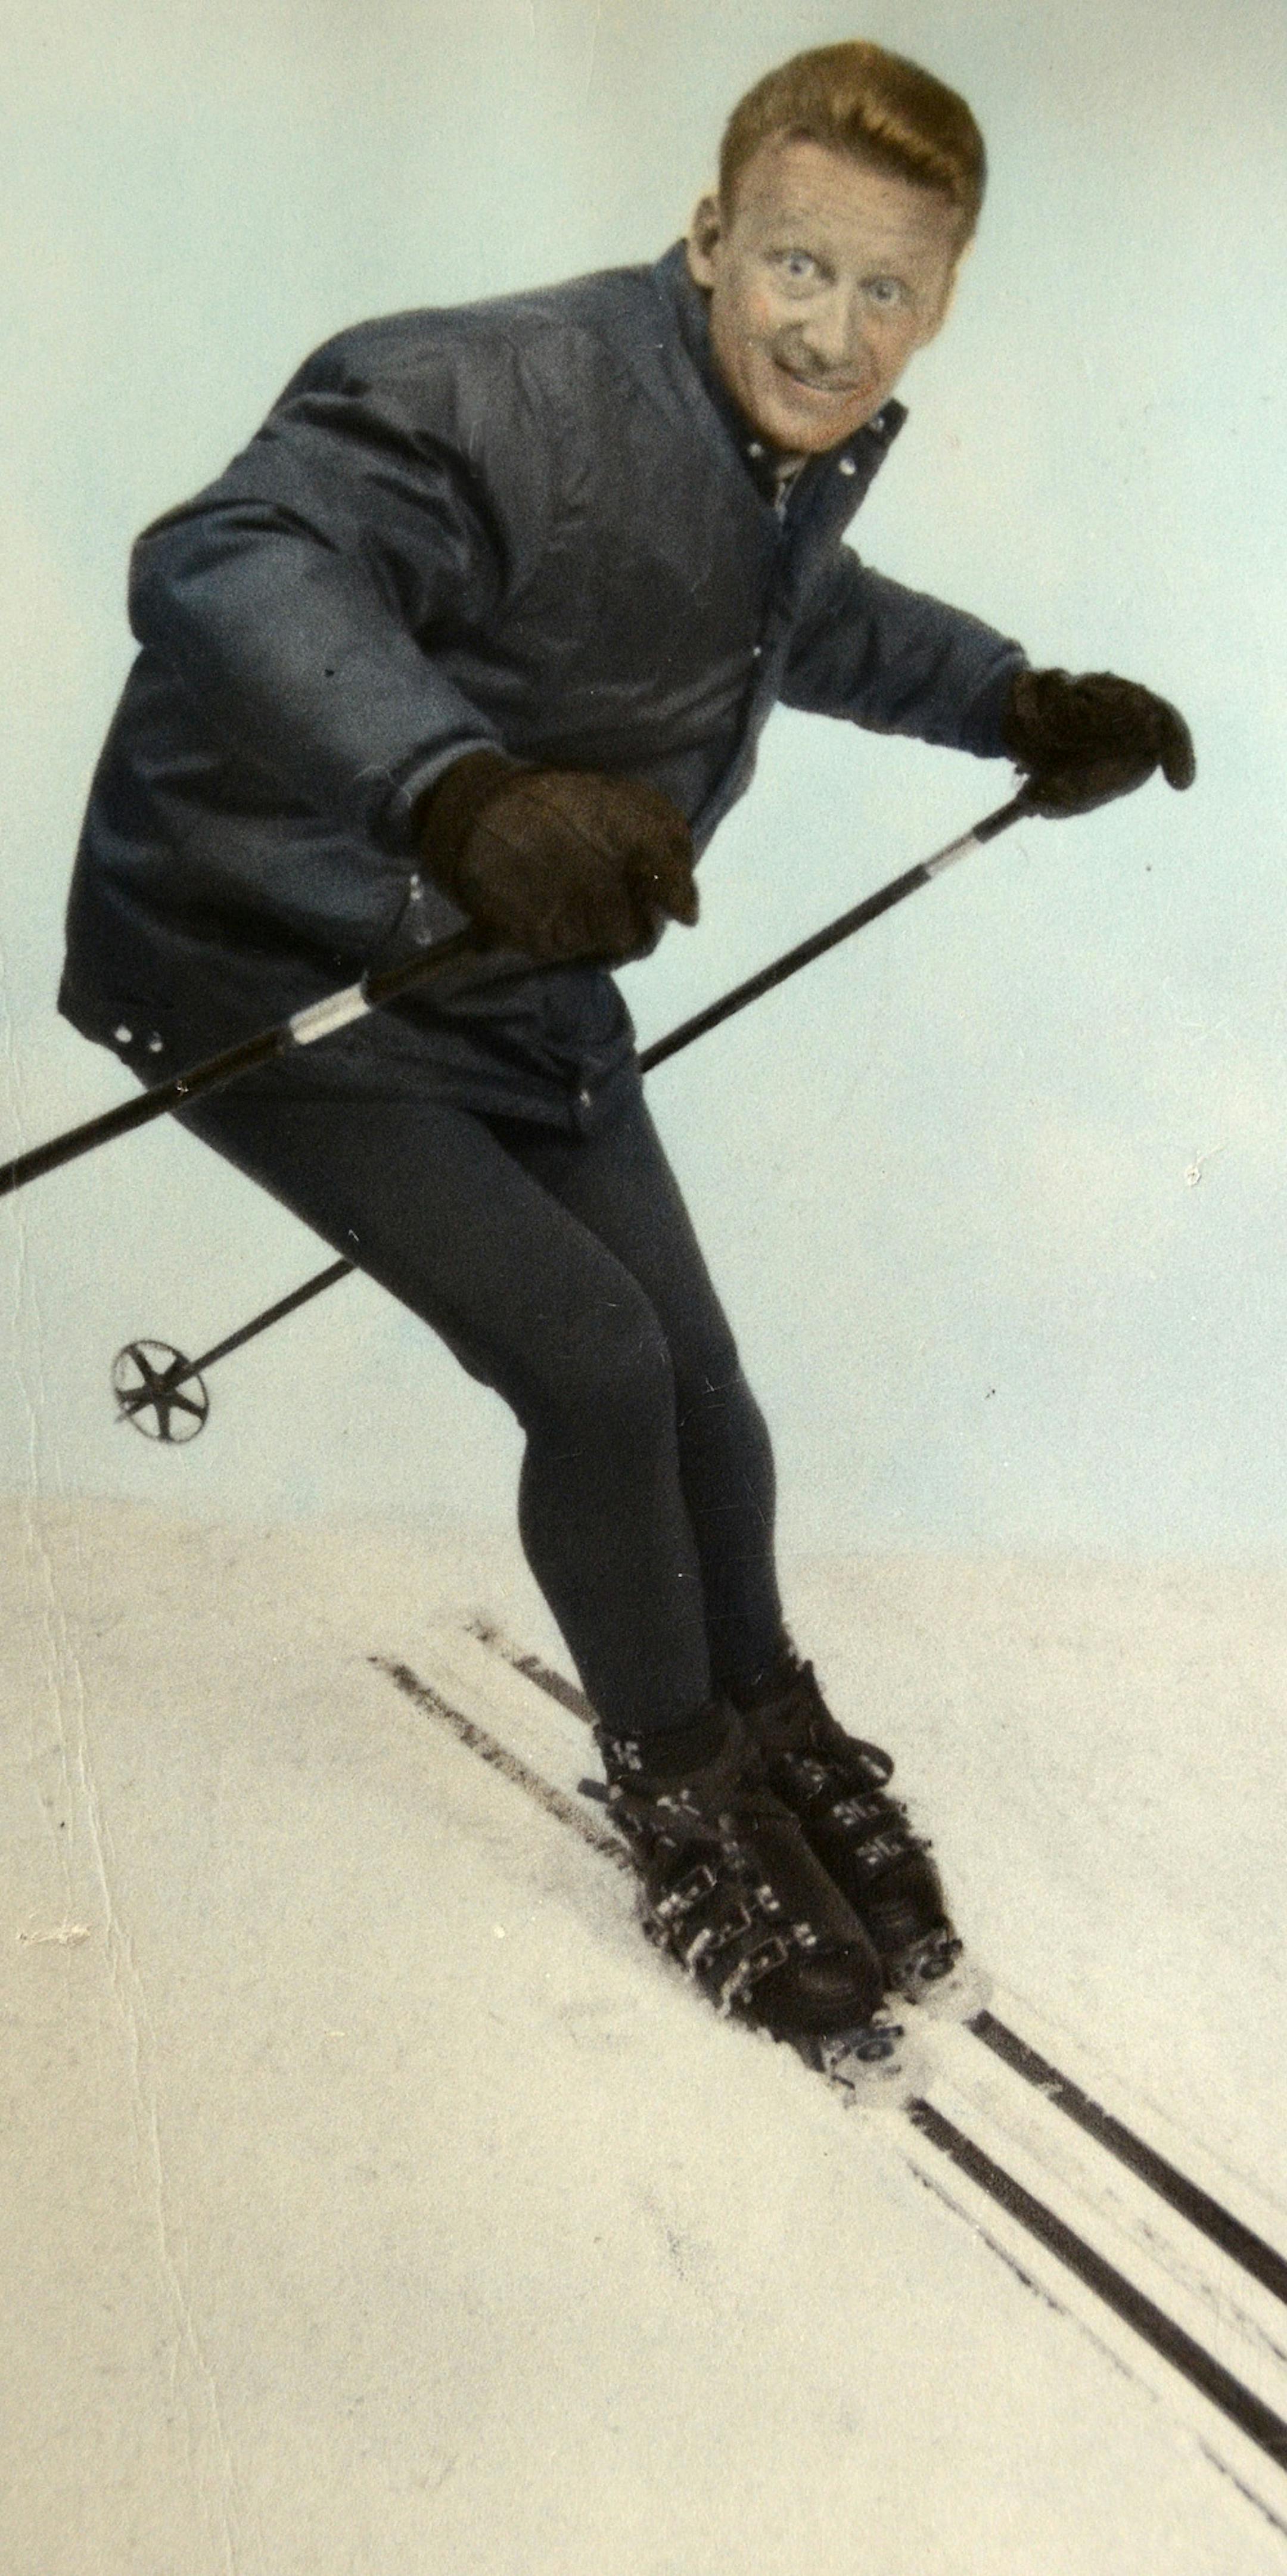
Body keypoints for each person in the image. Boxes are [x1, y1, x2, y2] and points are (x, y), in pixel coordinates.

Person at [60, 42, 1193, 2058]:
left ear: (940, 300)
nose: (833, 329)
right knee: (587, 1359)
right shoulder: (502, 390)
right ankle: (678, 1788)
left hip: (506, 975)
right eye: (794, 266)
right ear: (706, 233)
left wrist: (1018, 701)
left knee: (699, 1382)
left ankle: (769, 1715)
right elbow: (223, 563)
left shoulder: (769, 456)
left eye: (888, 292)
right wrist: (459, 794)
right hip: (277, 965)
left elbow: (789, 621)